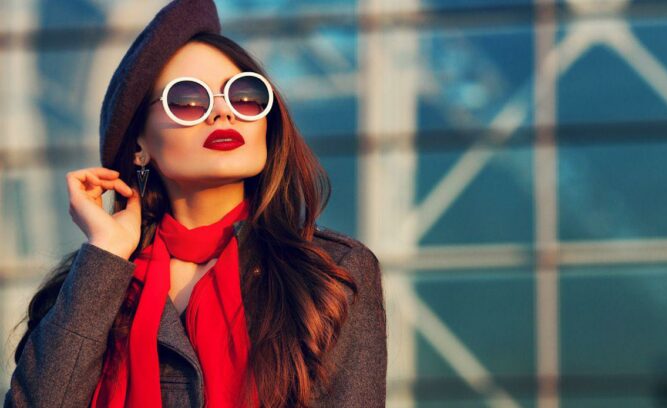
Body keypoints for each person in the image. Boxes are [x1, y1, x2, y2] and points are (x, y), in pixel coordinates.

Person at [3, 0, 387, 407]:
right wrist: (104, 255)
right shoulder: (91, 284)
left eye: (246, 95)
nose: (223, 112)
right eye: (187, 100)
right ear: (139, 146)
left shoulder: (330, 275)